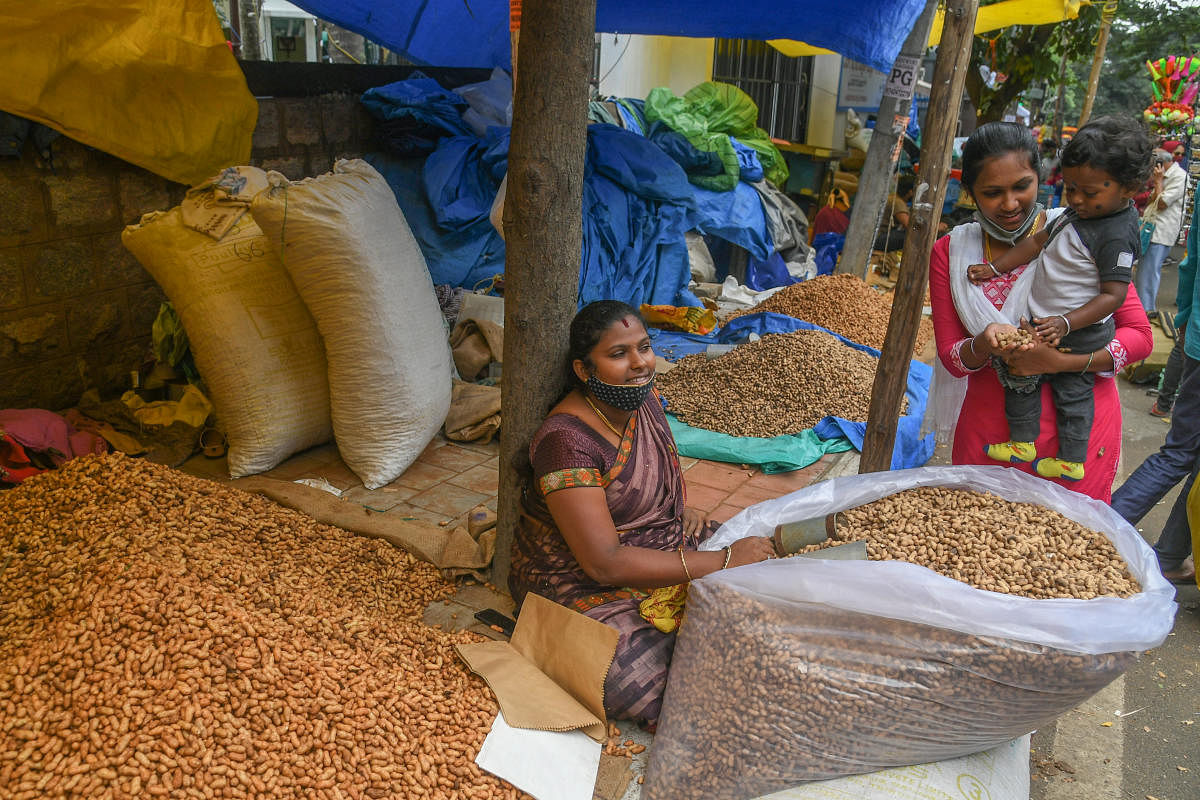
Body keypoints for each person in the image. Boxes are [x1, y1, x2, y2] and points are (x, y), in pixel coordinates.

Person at [507, 300, 775, 724]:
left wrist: (678, 508)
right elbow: (604, 563)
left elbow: (658, 471)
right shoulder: (567, 443)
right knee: (646, 672)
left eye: (645, 347)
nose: (640, 363)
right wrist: (721, 562)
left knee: (764, 561)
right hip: (578, 583)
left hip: (661, 542)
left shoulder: (643, 402)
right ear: (583, 370)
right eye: (618, 354)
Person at [926, 122, 1154, 502]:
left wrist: (1057, 361)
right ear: (969, 193)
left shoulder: (1082, 231)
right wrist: (984, 343)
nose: (1010, 204)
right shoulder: (951, 254)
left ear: (1040, 178)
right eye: (992, 192)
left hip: (1075, 440)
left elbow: (1140, 337)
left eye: (1021, 186)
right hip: (992, 438)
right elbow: (953, 358)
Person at [1111, 193, 1200, 585]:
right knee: (1184, 454)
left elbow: (1190, 265)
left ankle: (1167, 553)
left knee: (1181, 451)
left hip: (1198, 339)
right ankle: (1101, 529)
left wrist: (1184, 319)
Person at [1137, 147, 1187, 317]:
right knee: (1144, 270)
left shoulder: (1179, 176)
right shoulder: (1164, 175)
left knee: (1150, 271)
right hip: (1151, 228)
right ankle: (1143, 307)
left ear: (1161, 163)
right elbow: (1150, 198)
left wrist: (1158, 182)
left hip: (1161, 231)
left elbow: (1162, 202)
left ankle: (1147, 308)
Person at [874, 175, 916, 253]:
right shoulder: (898, 202)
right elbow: (910, 226)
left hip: (876, 237)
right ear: (910, 192)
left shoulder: (893, 197)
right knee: (909, 235)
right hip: (877, 239)